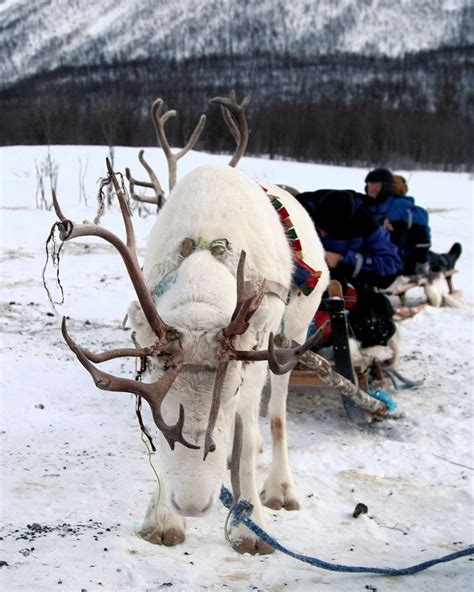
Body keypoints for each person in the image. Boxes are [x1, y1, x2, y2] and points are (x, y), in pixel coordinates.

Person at [295, 189, 402, 348]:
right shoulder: (297, 211)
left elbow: (391, 265)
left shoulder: (366, 224)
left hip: (348, 287)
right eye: (319, 228)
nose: (323, 235)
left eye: (329, 231)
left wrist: (344, 259)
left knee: (375, 324)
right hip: (301, 287)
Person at [363, 167, 462, 275]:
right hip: (380, 248)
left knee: (426, 256)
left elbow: (421, 216)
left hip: (399, 252)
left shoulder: (398, 203)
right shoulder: (369, 203)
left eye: (376, 185)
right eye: (370, 184)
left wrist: (392, 217)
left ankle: (448, 261)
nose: (372, 188)